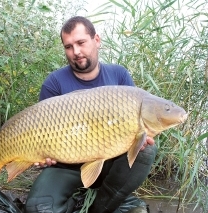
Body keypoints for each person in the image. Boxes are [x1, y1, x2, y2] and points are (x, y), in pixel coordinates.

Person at [24, 16, 157, 213]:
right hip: (66, 166)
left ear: (96, 40)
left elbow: (139, 121)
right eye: (68, 47)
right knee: (38, 208)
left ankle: (100, 206)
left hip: (109, 165)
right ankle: (80, 200)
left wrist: (143, 135)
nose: (75, 52)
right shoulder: (53, 83)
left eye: (81, 43)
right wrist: (44, 155)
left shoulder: (119, 75)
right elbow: (41, 131)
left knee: (146, 148)